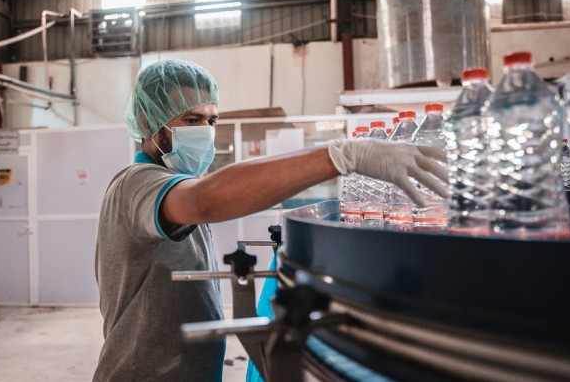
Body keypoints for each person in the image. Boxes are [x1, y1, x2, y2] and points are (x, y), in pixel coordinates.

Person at [93, 59, 448, 381]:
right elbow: (205, 200)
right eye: (191, 120)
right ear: (146, 122)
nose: (205, 130)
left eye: (211, 120)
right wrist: (341, 155)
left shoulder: (171, 182)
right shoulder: (137, 183)